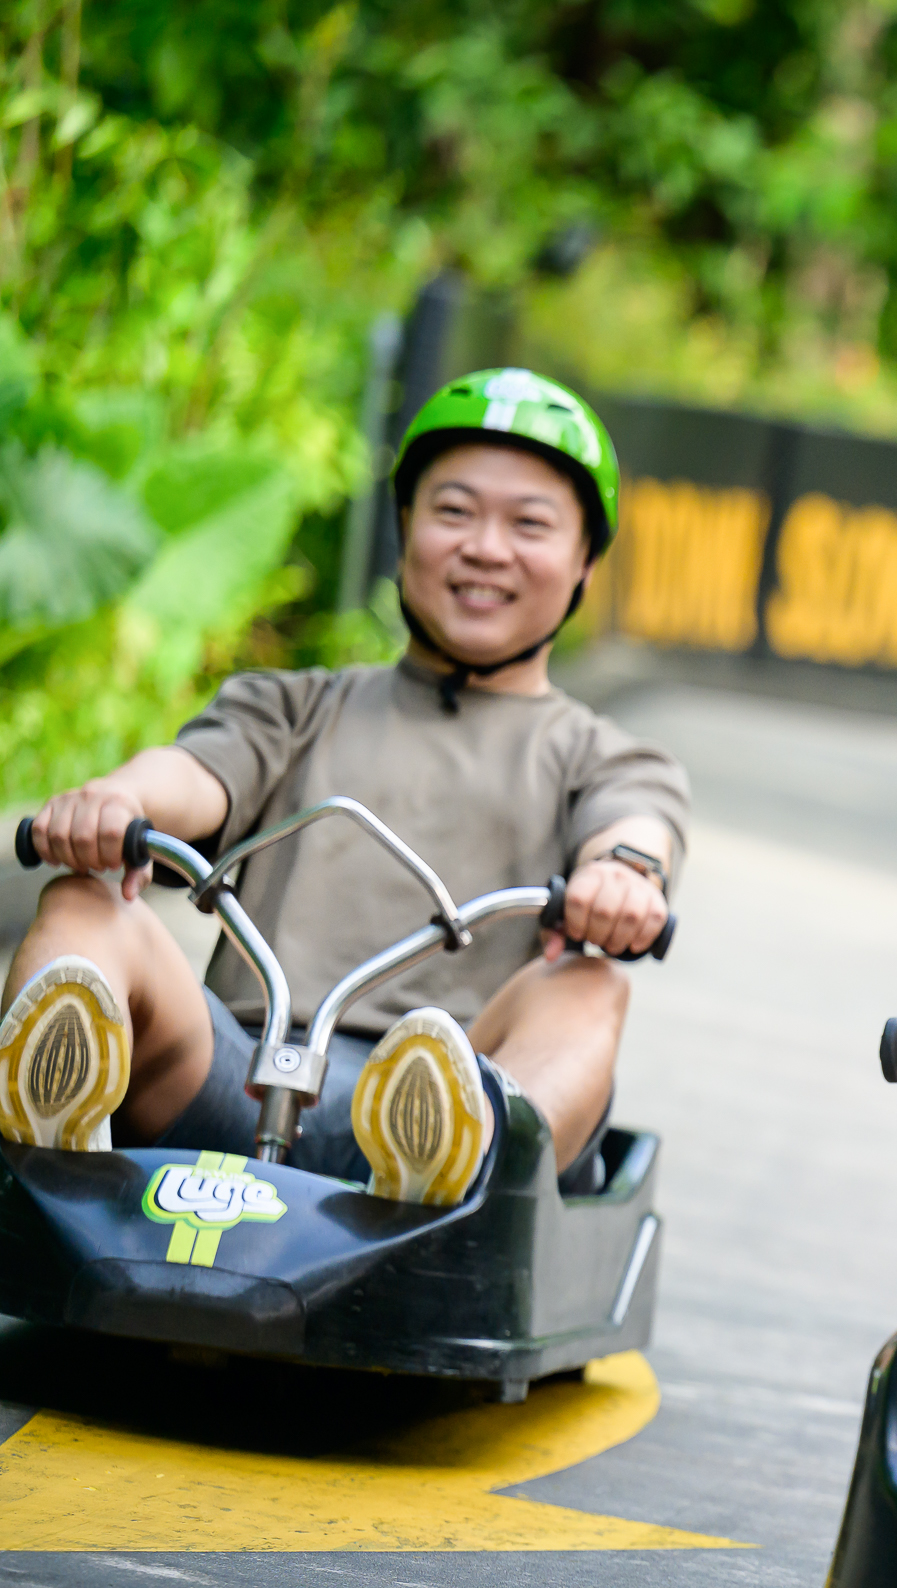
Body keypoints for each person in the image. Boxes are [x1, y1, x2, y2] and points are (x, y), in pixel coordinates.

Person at [0, 369, 685, 1203]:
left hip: (442, 1099)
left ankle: (463, 1177)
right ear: (406, 527)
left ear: (584, 561)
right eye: (454, 511)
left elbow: (635, 828)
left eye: (529, 524)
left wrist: (621, 878)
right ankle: (47, 1144)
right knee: (84, 904)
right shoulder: (292, 705)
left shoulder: (603, 756)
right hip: (235, 1074)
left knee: (588, 986)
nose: (486, 547)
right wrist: (117, 800)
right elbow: (194, 774)